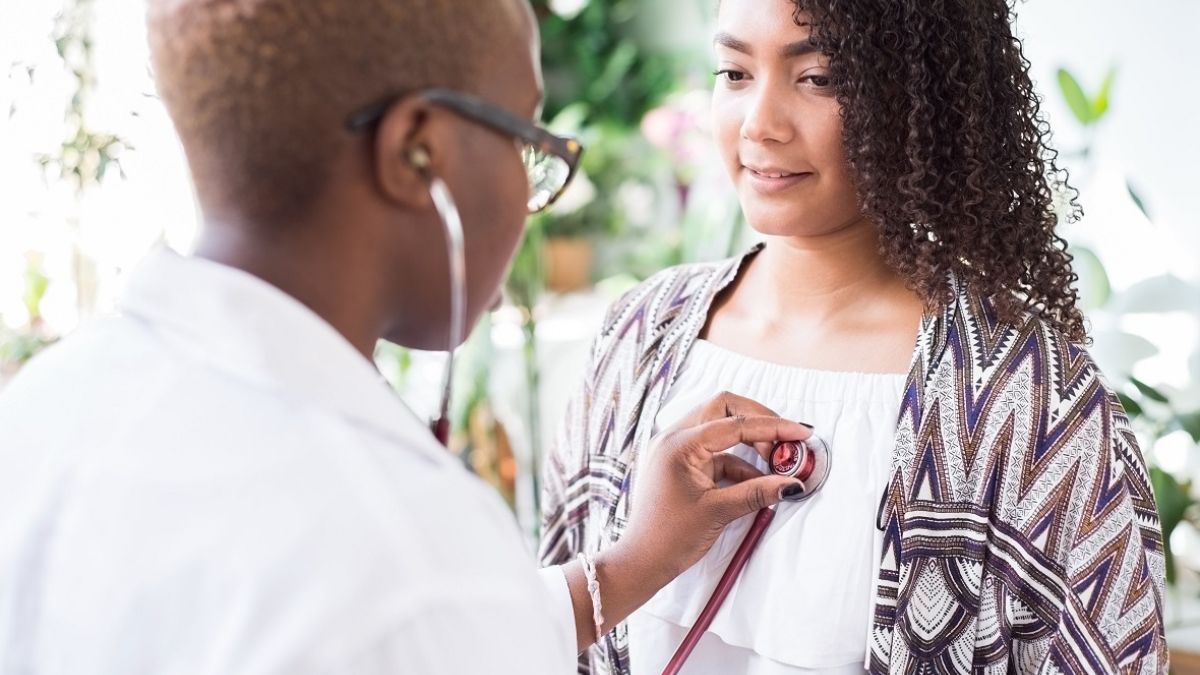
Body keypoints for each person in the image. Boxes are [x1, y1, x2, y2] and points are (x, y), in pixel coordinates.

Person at [0, 1, 814, 673]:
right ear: (418, 152)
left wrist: (631, 564)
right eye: (527, 141)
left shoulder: (43, 408)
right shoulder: (399, 551)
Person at [539, 0, 1168, 673]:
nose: (760, 124)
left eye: (819, 78)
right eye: (733, 72)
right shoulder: (638, 337)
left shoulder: (1031, 402)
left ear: (920, 97)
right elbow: (530, 635)